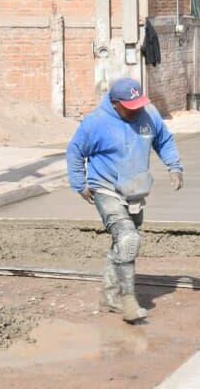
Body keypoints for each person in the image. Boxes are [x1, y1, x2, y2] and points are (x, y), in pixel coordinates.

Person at [66, 77, 183, 323]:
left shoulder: (149, 115)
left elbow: (165, 141)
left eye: (139, 104)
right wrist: (80, 184)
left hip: (135, 191)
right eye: (130, 107)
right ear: (115, 103)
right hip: (105, 188)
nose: (136, 111)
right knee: (128, 238)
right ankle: (127, 301)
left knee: (122, 243)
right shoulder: (96, 123)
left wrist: (174, 167)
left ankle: (109, 296)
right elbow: (75, 151)